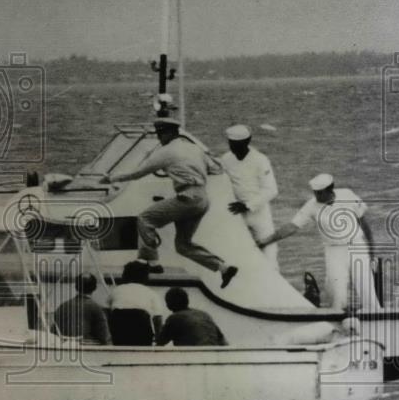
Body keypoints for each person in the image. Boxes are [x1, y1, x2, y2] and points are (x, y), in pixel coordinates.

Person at [100, 118, 238, 289]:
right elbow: (217, 169)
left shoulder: (166, 152)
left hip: (187, 196)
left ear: (169, 134)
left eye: (160, 134)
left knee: (145, 219)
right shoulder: (194, 148)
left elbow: (138, 173)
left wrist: (112, 178)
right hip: (202, 198)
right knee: (183, 245)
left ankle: (152, 263)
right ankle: (223, 268)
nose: (159, 138)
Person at [257, 174, 380, 313]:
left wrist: (372, 254)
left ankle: (374, 314)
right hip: (333, 250)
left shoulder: (347, 194)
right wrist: (265, 241)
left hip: (357, 245)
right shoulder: (311, 205)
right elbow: (292, 227)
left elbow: (365, 225)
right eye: (315, 192)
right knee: (337, 290)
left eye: (320, 193)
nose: (316, 196)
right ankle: (338, 316)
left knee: (365, 285)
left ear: (330, 189)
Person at [220, 124, 281, 270]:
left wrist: (248, 205)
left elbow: (271, 190)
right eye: (231, 144)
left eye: (237, 144)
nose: (234, 148)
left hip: (259, 214)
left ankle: (273, 284)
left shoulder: (261, 160)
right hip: (236, 214)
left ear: (247, 141)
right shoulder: (226, 159)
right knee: (238, 255)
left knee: (269, 253)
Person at [108, 260, 165, 345]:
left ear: (125, 275)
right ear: (145, 277)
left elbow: (105, 312)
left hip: (119, 332)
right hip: (141, 333)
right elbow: (157, 319)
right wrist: (159, 342)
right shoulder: (151, 293)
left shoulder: (116, 290)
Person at [156, 286, 228, 346]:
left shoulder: (174, 318)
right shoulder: (204, 314)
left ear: (168, 305)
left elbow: (160, 343)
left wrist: (158, 324)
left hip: (194, 356)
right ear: (187, 300)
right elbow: (223, 342)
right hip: (213, 355)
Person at [53, 273, 112, 345]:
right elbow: (105, 337)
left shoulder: (62, 307)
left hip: (65, 347)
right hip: (88, 349)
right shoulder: (98, 309)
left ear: (76, 287)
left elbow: (54, 332)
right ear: (95, 288)